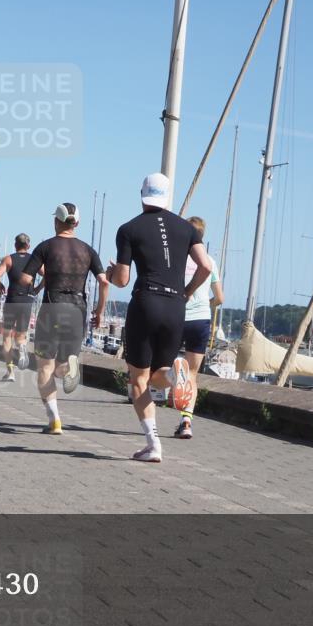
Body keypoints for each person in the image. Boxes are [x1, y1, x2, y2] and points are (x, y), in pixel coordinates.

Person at [107, 173, 213, 463]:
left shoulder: (128, 229)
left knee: (139, 379)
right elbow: (205, 266)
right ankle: (174, 376)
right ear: (168, 196)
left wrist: (110, 273)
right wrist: (187, 292)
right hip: (175, 305)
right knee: (159, 375)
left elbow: (122, 280)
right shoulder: (187, 229)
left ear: (142, 194)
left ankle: (153, 445)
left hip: (146, 302)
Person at [20, 203, 108, 434]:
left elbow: (25, 278)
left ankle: (54, 420)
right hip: (78, 309)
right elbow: (104, 281)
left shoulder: (46, 247)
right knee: (62, 365)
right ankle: (71, 367)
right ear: (76, 223)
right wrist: (99, 310)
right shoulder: (88, 250)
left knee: (44, 367)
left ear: (56, 221)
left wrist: (31, 286)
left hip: (53, 307)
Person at [176, 216, 224, 438]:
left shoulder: (177, 257)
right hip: (201, 320)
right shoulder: (210, 261)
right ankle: (186, 422)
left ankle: (174, 376)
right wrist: (205, 305)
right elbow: (220, 298)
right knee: (193, 374)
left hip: (177, 317)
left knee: (162, 365)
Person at [0, 233, 42, 381]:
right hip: (27, 301)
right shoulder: (34, 260)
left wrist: (0, 286)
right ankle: (22, 347)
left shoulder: (9, 259)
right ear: (28, 246)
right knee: (21, 335)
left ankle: (10, 372)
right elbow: (47, 275)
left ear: (15, 245)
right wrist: (37, 289)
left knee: (7, 336)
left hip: (12, 300)